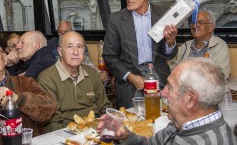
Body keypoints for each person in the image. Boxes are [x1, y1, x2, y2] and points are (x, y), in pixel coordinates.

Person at [97, 57, 237, 145]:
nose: (162, 93)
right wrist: (125, 136)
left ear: (190, 99)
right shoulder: (180, 123)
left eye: (169, 87)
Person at [103, 0, 178, 108]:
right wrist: (131, 77)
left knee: (164, 119)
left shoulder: (163, 14)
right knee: (134, 124)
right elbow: (109, 57)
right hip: (130, 82)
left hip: (159, 78)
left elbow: (169, 55)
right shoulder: (116, 20)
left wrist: (170, 41)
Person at [38, 31, 112, 131]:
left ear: (84, 50)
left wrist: (108, 131)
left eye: (79, 47)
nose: (76, 52)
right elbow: (52, 123)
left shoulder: (92, 74)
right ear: (60, 51)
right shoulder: (47, 79)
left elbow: (105, 107)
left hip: (96, 131)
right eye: (69, 47)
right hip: (66, 134)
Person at [169, 10, 230, 80]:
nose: (195, 26)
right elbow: (172, 69)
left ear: (210, 27)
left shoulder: (219, 45)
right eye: (193, 23)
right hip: (184, 88)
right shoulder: (185, 46)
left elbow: (222, 75)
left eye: (200, 22)